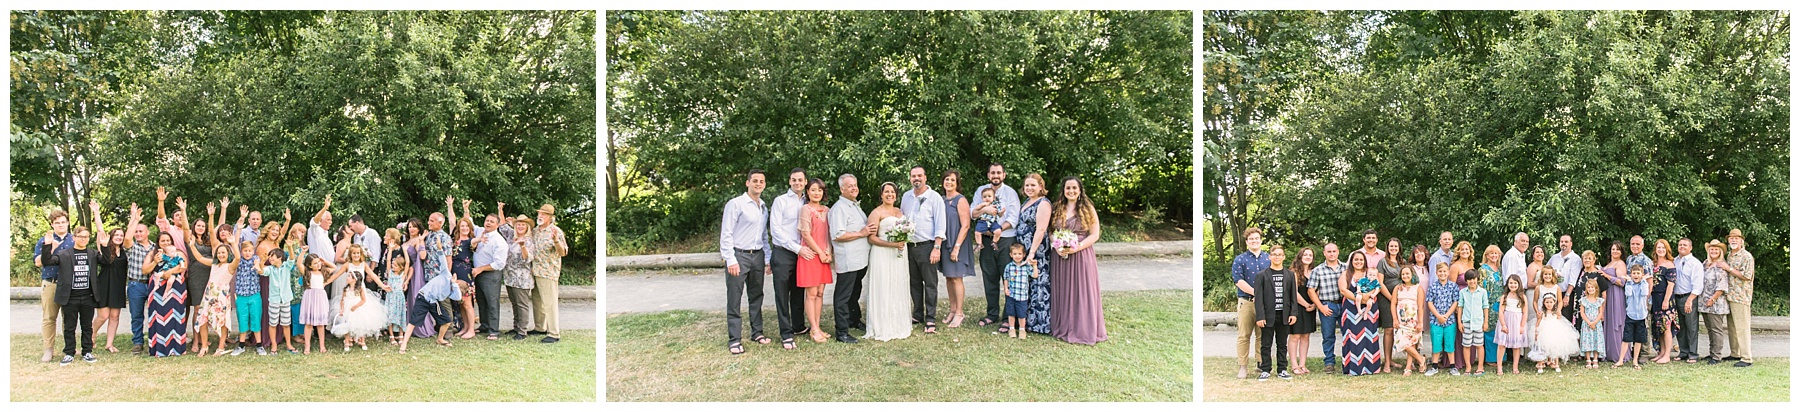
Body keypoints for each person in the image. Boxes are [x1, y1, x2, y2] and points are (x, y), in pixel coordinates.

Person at [1048, 176, 1107, 345]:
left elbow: (1095, 234)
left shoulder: (1088, 209)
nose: (1071, 191)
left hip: (1081, 255)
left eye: (1074, 188)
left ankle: (1083, 328)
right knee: (1064, 290)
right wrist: (1057, 245)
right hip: (1060, 256)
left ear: (1080, 190)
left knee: (1082, 291)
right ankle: (1064, 326)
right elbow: (1050, 231)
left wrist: (1077, 247)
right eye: (1068, 188)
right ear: (1063, 190)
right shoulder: (1057, 207)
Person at [721, 169, 771, 354]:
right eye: (755, 180)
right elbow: (726, 233)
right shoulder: (736, 204)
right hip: (739, 255)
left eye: (761, 181)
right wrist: (730, 260)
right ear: (747, 182)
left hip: (757, 255)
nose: (758, 184)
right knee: (735, 297)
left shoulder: (763, 206)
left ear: (765, 185)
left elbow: (764, 235)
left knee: (756, 295)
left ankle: (757, 332)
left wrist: (767, 258)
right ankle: (734, 339)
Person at [44, 224, 102, 365]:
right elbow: (47, 261)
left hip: (88, 296)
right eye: (80, 236)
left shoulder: (93, 254)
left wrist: (105, 246)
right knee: (69, 326)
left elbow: (107, 261)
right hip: (70, 297)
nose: (83, 239)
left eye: (86, 237)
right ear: (74, 237)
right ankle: (69, 352)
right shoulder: (64, 254)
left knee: (86, 326)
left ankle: (87, 351)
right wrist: (47, 245)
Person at [974, 164, 1022, 333]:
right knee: (989, 277)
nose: (995, 175)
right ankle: (991, 313)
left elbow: (1013, 217)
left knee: (1008, 278)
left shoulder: (1010, 193)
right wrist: (983, 210)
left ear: (1004, 175)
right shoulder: (981, 191)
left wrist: (999, 229)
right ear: (988, 175)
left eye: (998, 172)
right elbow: (973, 213)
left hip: (1006, 240)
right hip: (986, 240)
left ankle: (1007, 318)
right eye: (992, 172)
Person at [901, 166, 948, 334]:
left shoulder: (934, 198)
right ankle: (918, 314)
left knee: (930, 284)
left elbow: (941, 224)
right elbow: (902, 220)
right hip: (909, 246)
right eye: (913, 176)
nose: (916, 178)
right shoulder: (906, 196)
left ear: (925, 177)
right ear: (910, 178)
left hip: (928, 246)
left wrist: (937, 247)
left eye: (919, 175)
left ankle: (931, 318)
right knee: (914, 282)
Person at [863, 182, 912, 342]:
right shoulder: (876, 213)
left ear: (896, 195)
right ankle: (882, 325)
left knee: (897, 284)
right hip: (882, 254)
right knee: (884, 285)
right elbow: (871, 237)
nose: (890, 194)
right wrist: (892, 244)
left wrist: (903, 239)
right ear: (881, 195)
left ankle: (898, 321)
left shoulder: (899, 211)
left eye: (892, 192)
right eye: (886, 192)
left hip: (899, 253)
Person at [828, 174, 872, 343]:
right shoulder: (839, 208)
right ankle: (842, 332)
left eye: (855, 185)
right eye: (850, 186)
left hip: (859, 259)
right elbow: (837, 235)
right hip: (848, 258)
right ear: (842, 189)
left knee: (855, 291)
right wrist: (861, 233)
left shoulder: (854, 206)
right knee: (843, 295)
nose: (854, 188)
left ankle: (853, 320)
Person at [768, 168, 809, 348]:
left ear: (805, 182)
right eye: (794, 180)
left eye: (800, 180)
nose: (797, 183)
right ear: (789, 181)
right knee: (782, 294)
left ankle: (798, 326)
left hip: (802, 252)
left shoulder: (808, 201)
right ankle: (786, 334)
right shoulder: (781, 201)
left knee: (798, 290)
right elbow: (775, 230)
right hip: (784, 252)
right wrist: (796, 248)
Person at [795, 178, 836, 344]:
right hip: (811, 256)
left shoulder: (827, 210)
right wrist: (819, 252)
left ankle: (818, 327)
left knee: (820, 293)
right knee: (811, 294)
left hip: (824, 256)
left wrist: (829, 251)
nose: (816, 193)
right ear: (807, 192)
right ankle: (813, 329)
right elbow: (805, 234)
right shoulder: (806, 209)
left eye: (819, 190)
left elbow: (829, 233)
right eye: (813, 190)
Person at [32, 207, 72, 362]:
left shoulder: (74, 240)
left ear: (68, 223)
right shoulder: (44, 240)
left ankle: (70, 347)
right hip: (51, 283)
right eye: (57, 223)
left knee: (69, 317)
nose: (60, 225)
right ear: (52, 224)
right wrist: (51, 247)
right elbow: (37, 262)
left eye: (63, 222)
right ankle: (48, 349)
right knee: (49, 318)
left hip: (69, 284)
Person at [1251, 245, 1297, 381]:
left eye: (1280, 254)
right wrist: (1260, 316)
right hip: (1267, 315)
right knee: (1266, 344)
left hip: (1284, 315)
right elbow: (1258, 298)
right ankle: (1265, 369)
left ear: (1283, 257)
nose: (1277, 257)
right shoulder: (1262, 275)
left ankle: (1282, 369)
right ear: (1270, 256)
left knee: (1282, 344)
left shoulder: (1289, 275)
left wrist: (1293, 313)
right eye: (1274, 254)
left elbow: (1293, 296)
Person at [1229, 226, 1270, 378]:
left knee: (1262, 335)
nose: (1254, 241)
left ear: (1261, 240)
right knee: (1244, 335)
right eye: (1251, 239)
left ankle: (1261, 363)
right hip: (1246, 302)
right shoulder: (1240, 260)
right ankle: (1243, 367)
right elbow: (1238, 280)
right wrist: (1256, 293)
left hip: (1265, 304)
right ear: (1247, 242)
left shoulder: (1269, 259)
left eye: (1256, 239)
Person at [330, 245, 388, 351]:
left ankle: (361, 338)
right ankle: (348, 338)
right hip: (350, 292)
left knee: (362, 315)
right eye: (354, 253)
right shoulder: (347, 265)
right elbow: (336, 275)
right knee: (349, 315)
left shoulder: (364, 265)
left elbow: (374, 276)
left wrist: (383, 286)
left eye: (358, 253)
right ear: (350, 254)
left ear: (361, 254)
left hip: (361, 292)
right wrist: (326, 282)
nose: (356, 255)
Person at [400, 261, 464, 353]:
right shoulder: (446, 275)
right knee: (413, 322)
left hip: (433, 301)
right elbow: (442, 259)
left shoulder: (451, 291)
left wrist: (454, 285)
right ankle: (404, 344)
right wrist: (440, 248)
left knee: (447, 321)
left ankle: (440, 339)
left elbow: (458, 297)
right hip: (423, 297)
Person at [1017, 174, 1053, 335]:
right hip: (1024, 250)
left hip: (1036, 250)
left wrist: (1031, 252)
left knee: (1039, 283)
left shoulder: (1043, 203)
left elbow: (1041, 229)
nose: (1029, 188)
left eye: (1032, 185)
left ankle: (1040, 323)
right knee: (1028, 285)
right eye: (1027, 185)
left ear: (1040, 186)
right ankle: (1027, 321)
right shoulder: (1027, 202)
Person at [937, 171, 975, 328]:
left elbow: (966, 225)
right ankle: (952, 310)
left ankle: (959, 312)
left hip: (957, 243)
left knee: (957, 277)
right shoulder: (941, 200)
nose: (949, 182)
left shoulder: (961, 200)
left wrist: (956, 247)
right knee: (948, 277)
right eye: (947, 179)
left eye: (952, 180)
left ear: (957, 183)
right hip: (945, 242)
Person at [189, 239, 238, 356]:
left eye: (223, 253)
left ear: (228, 254)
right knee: (203, 320)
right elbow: (200, 258)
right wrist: (192, 246)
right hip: (209, 294)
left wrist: (233, 243)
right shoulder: (214, 264)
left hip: (222, 296)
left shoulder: (230, 266)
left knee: (222, 321)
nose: (221, 255)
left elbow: (238, 258)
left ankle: (220, 347)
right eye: (219, 253)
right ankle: (204, 346)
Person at [144, 232, 189, 358]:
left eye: (168, 240)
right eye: (162, 241)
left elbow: (182, 267)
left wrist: (168, 272)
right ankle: (158, 349)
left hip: (176, 289)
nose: (165, 243)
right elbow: (145, 270)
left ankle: (177, 348)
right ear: (158, 242)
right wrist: (154, 262)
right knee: (158, 316)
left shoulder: (178, 252)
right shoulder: (153, 254)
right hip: (158, 289)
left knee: (176, 316)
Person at [94, 206, 132, 354]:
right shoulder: (104, 246)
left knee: (115, 316)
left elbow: (129, 234)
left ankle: (109, 344)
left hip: (118, 285)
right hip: (104, 284)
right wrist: (96, 213)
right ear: (111, 236)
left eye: (121, 235)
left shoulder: (125, 251)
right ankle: (92, 335)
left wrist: (133, 217)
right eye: (116, 235)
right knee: (103, 316)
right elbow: (100, 231)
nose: (119, 237)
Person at [529, 202, 569, 344]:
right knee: (537, 301)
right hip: (535, 271)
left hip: (548, 272)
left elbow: (563, 252)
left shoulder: (556, 231)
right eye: (540, 213)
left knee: (549, 303)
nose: (540, 216)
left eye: (544, 214)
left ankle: (554, 333)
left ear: (550, 217)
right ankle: (540, 327)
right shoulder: (535, 231)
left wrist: (556, 241)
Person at [1306, 242, 1347, 371]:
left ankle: (1348, 360)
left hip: (1345, 304)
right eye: (1329, 252)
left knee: (1347, 334)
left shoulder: (1346, 268)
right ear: (1324, 253)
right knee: (1328, 335)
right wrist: (1320, 307)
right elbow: (1311, 290)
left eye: (1334, 251)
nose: (1332, 254)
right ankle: (1329, 362)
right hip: (1327, 305)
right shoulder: (1318, 270)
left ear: (1338, 252)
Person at [470, 209, 509, 340]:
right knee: (481, 301)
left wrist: (481, 269)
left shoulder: (499, 241)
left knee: (492, 302)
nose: (488, 223)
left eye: (492, 222)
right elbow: (470, 223)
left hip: (490, 274)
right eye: (487, 220)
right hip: (478, 272)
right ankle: (484, 325)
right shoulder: (481, 232)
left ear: (497, 225)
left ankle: (494, 331)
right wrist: (466, 210)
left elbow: (499, 263)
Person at [1340, 251, 1381, 376]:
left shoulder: (1370, 273)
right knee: (1352, 338)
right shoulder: (1346, 274)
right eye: (1356, 259)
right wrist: (1358, 298)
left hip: (1369, 310)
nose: (1358, 262)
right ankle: (1353, 368)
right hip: (1351, 311)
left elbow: (1376, 287)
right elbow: (1343, 289)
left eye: (1361, 260)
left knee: (1370, 336)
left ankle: (1371, 367)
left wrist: (1366, 297)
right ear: (1351, 261)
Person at [121, 206, 155, 355]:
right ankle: (138, 342)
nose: (138, 233)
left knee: (155, 314)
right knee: (137, 315)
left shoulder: (155, 247)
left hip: (153, 283)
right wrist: (135, 219)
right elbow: (127, 238)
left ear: (147, 232)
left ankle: (154, 340)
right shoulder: (132, 247)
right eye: (136, 231)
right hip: (136, 284)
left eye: (141, 231)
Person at [1723, 229, 1755, 367]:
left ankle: (1747, 358)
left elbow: (1747, 276)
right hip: (1730, 295)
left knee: (1742, 327)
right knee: (1732, 327)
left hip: (1741, 296)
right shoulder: (1729, 255)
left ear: (1742, 241)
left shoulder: (1746, 256)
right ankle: (1735, 353)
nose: (1733, 240)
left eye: (1736, 238)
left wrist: (1728, 269)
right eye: (1731, 238)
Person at [1697, 240, 1732, 364]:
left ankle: (1717, 356)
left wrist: (1712, 299)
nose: (1714, 251)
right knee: (1710, 329)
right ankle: (1711, 353)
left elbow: (1721, 286)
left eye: (1716, 249)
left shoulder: (1720, 265)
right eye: (1712, 249)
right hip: (1704, 302)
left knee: (1716, 330)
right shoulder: (1705, 263)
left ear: (1720, 251)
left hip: (1716, 303)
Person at [504, 216, 537, 341]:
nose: (520, 227)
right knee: (514, 304)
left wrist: (522, 246)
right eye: (518, 224)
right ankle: (516, 327)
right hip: (510, 276)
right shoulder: (512, 238)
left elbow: (527, 258)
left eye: (523, 225)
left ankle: (522, 331)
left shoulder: (528, 240)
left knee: (522, 305)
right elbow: (502, 226)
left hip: (522, 278)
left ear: (527, 227)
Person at [1287, 247, 1318, 375]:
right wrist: (1306, 304)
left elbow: (1317, 290)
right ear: (1300, 256)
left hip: (1311, 306)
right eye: (1305, 254)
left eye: (1310, 255)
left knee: (1306, 336)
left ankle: (1302, 364)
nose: (1307, 257)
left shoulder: (1314, 272)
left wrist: (1315, 304)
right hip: (1297, 307)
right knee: (1295, 336)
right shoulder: (1293, 272)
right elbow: (1293, 292)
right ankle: (1294, 365)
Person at [1425, 262, 1459, 376]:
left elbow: (1455, 302)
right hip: (1435, 320)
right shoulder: (1433, 287)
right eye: (1440, 271)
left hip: (1449, 321)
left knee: (1450, 343)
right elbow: (1430, 302)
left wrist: (1447, 315)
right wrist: (1438, 316)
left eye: (1445, 271)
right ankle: (1434, 366)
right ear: (1436, 273)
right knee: (1436, 343)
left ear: (1448, 272)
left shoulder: (1453, 286)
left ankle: (1453, 367)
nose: (1442, 273)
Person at [449, 214, 480, 339]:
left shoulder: (469, 241)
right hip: (454, 271)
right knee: (460, 302)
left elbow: (474, 241)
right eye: (462, 226)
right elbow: (451, 221)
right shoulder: (454, 239)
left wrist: (481, 238)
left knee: (467, 303)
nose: (464, 228)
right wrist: (450, 206)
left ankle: (471, 329)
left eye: (467, 226)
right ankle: (465, 327)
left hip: (464, 273)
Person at [1673, 238, 1704, 363]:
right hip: (1676, 297)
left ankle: (1693, 354)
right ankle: (1683, 351)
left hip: (1689, 297)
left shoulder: (1695, 263)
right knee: (1680, 327)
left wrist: (1690, 299)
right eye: (1680, 245)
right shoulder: (1674, 261)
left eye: (1685, 245)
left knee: (1691, 326)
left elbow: (1698, 284)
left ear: (1690, 248)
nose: (1682, 247)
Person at [1391, 266, 1426, 376]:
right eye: (1403, 274)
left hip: (1413, 320)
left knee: (1411, 342)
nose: (1405, 276)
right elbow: (1393, 304)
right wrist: (1395, 319)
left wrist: (1420, 322)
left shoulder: (1418, 288)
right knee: (1401, 341)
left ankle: (1408, 367)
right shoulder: (1398, 288)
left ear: (1412, 274)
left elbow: (1421, 307)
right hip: (1401, 321)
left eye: (1407, 274)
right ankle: (1421, 359)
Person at [1374, 237, 1402, 373]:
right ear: (1387, 247)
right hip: (1386, 298)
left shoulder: (1402, 263)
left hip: (1401, 299)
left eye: (1396, 246)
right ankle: (1387, 361)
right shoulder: (1382, 262)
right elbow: (1380, 283)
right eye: (1391, 246)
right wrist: (1392, 299)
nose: (1393, 249)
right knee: (1389, 329)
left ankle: (1392, 360)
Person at [1649, 239, 1679, 364]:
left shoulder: (1670, 264)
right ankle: (1661, 352)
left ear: (1667, 249)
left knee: (1666, 326)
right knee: (1658, 326)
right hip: (1655, 298)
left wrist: (1666, 300)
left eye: (1663, 248)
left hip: (1665, 298)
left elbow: (1671, 285)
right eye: (1658, 247)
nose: (1660, 250)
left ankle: (1667, 354)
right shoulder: (1653, 264)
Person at [263, 247, 298, 354]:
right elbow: (261, 271)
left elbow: (292, 258)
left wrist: (290, 247)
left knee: (286, 323)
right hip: (274, 300)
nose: (270, 258)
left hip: (286, 299)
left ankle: (288, 344)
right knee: (273, 323)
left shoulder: (286, 267)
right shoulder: (270, 269)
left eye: (272, 256)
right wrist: (260, 262)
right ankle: (274, 344)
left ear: (280, 257)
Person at [1534, 294, 1580, 373]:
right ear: (1544, 303)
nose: (1549, 304)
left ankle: (1556, 363)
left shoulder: (1556, 312)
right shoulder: (1542, 313)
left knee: (1555, 346)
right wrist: (1536, 332)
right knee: (1542, 347)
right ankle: (1541, 364)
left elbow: (1559, 321)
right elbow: (1538, 323)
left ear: (1554, 303)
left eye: (1551, 302)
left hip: (1554, 330)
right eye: (1547, 302)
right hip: (1544, 330)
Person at [298, 254, 333, 354]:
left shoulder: (323, 272)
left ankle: (322, 345)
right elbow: (299, 264)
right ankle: (307, 346)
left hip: (320, 297)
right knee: (308, 323)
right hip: (310, 297)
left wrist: (324, 261)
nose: (318, 265)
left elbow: (333, 267)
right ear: (309, 265)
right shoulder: (307, 272)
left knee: (320, 324)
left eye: (318, 262)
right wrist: (303, 253)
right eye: (315, 263)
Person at [1617, 265, 1650, 369]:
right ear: (1631, 274)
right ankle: (1620, 360)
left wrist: (1644, 281)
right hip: (1630, 315)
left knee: (1638, 339)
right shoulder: (1629, 284)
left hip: (1641, 316)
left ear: (1642, 275)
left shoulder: (1644, 284)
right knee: (1626, 338)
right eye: (1634, 273)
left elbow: (1645, 293)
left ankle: (1635, 360)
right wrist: (1630, 282)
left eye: (1638, 273)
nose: (1636, 275)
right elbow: (1628, 293)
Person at [1495, 275, 1530, 374]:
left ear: (1519, 284)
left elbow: (1525, 312)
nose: (1513, 285)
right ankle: (1499, 367)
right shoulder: (1505, 296)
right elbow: (1501, 311)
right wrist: (1503, 324)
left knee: (1516, 346)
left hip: (1517, 322)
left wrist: (1522, 325)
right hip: (1506, 321)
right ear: (1507, 284)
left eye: (1515, 283)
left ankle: (1515, 367)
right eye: (1511, 283)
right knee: (1502, 345)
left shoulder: (1523, 297)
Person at [1478, 245, 1504, 371]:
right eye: (1492, 253)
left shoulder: (1500, 269)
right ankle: (1490, 358)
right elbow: (1480, 287)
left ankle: (1501, 357)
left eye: (1496, 254)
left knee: (1500, 329)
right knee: (1489, 330)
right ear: (1486, 255)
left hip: (1500, 303)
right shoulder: (1482, 270)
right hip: (1488, 303)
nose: (1494, 256)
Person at [1458, 270, 1489, 376]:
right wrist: (1459, 322)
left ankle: (1480, 367)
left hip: (1478, 322)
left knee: (1479, 345)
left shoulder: (1482, 292)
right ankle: (1468, 367)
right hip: (1466, 322)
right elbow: (1460, 307)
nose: (1472, 281)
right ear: (1466, 281)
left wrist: (1485, 322)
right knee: (1466, 345)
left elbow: (1485, 307)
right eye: (1469, 279)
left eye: (1474, 279)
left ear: (1477, 279)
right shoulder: (1463, 292)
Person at [1601, 242, 1627, 363]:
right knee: (1608, 321)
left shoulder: (1620, 264)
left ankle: (1618, 354)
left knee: (1616, 322)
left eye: (1618, 250)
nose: (1615, 251)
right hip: (1607, 294)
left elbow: (1622, 282)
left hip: (1616, 295)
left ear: (1621, 252)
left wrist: (1606, 276)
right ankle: (1608, 352)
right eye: (1613, 249)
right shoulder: (1609, 264)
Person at [383, 228, 411, 343]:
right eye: (393, 265)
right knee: (389, 316)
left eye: (396, 265)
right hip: (390, 298)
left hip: (399, 298)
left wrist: (404, 251)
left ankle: (400, 334)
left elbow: (408, 263)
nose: (393, 266)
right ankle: (391, 336)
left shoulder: (402, 275)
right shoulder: (390, 274)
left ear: (400, 267)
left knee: (400, 315)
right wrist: (389, 250)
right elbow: (388, 260)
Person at [1001, 243, 1034, 340]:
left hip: (1022, 296)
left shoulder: (1026, 266)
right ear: (1011, 255)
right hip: (1011, 294)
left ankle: (1022, 329)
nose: (1017, 256)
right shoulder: (1009, 267)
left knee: (1021, 314)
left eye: (1019, 254)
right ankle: (1011, 329)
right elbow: (1006, 278)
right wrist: (1006, 288)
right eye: (1015, 254)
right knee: (1011, 313)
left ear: (1024, 254)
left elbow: (1035, 275)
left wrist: (1034, 265)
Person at [1578, 277, 1606, 369]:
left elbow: (1600, 313)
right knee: (1587, 341)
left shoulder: (1599, 300)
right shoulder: (1583, 300)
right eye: (1589, 287)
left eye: (1592, 287)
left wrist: (1594, 322)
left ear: (1596, 289)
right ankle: (1588, 359)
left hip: (1596, 324)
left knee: (1596, 340)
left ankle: (1595, 359)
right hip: (1587, 324)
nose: (1590, 289)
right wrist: (1589, 322)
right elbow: (1582, 312)